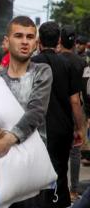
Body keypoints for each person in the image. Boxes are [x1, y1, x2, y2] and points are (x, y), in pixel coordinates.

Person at [0, 16, 53, 207]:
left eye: (30, 37)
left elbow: (36, 112)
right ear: (7, 41)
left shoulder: (42, 72)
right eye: (18, 36)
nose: (24, 41)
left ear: (36, 43)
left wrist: (8, 139)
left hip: (31, 169)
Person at [31, 21, 84, 207]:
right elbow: (75, 101)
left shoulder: (32, 64)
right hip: (62, 128)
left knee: (34, 172)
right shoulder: (68, 64)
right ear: (59, 40)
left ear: (39, 41)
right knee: (59, 172)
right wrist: (80, 128)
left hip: (35, 128)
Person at [59, 25, 87, 202]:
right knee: (75, 153)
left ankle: (56, 188)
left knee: (57, 152)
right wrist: (81, 124)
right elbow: (80, 96)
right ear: (75, 42)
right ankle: (74, 190)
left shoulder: (56, 60)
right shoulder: (81, 62)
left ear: (60, 41)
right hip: (75, 112)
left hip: (57, 111)